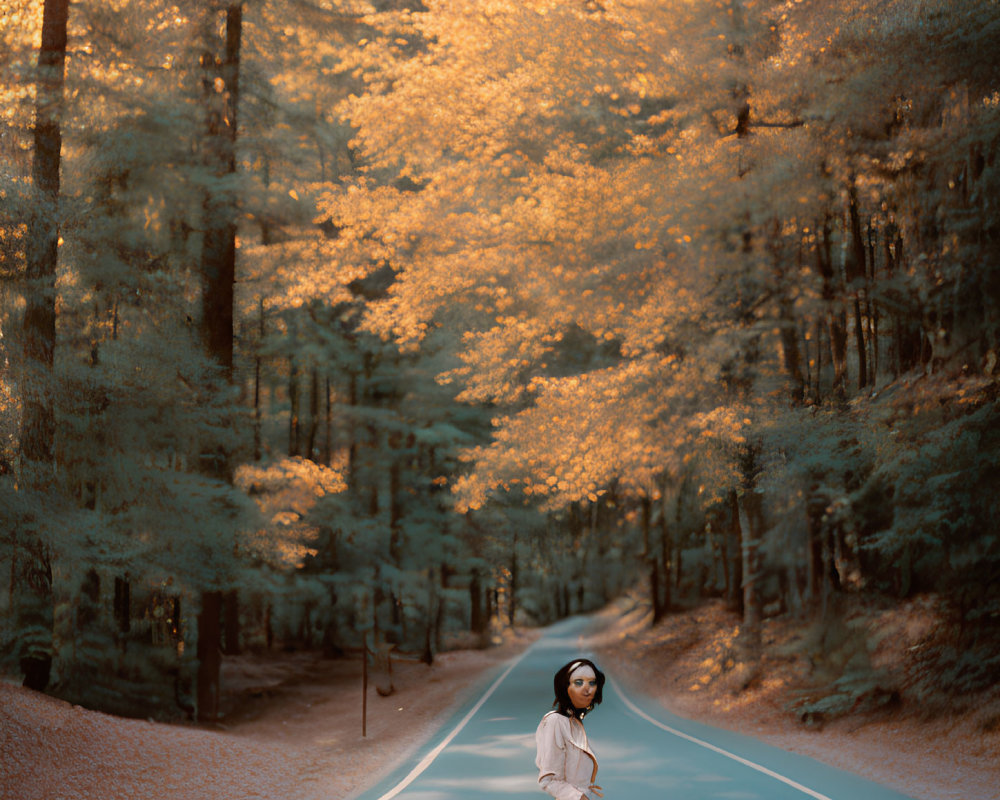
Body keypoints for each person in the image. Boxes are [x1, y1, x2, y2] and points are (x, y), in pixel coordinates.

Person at [534, 658, 606, 800]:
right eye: (578, 682)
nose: (587, 689)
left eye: (592, 683)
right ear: (565, 688)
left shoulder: (573, 722)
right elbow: (548, 780)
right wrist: (579, 797)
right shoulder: (555, 722)